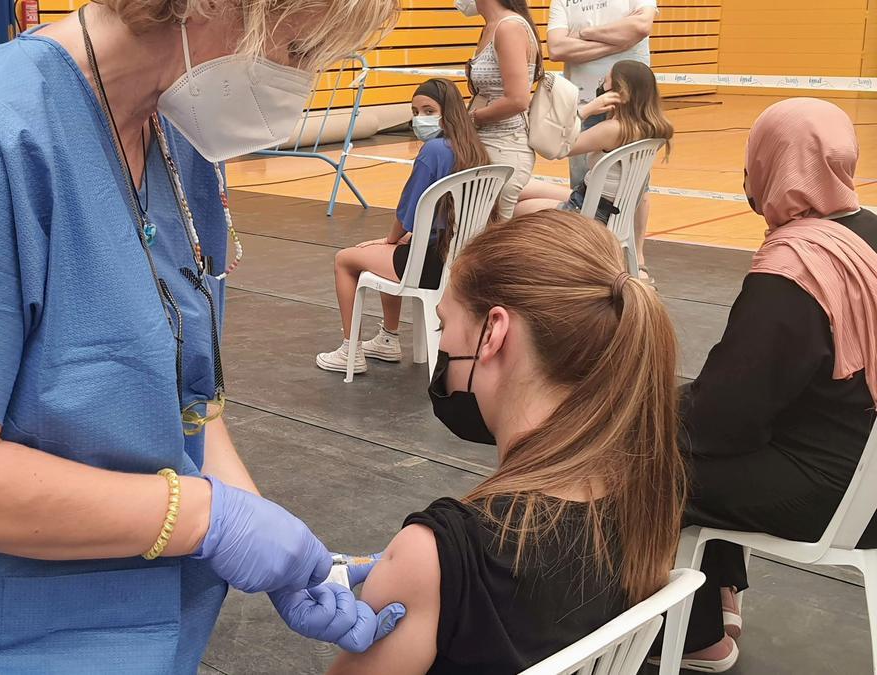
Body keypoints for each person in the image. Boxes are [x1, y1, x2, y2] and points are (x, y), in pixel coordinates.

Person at [0, 0, 404, 670]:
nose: (298, 83)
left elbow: (189, 392)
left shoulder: (175, 135)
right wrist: (207, 518)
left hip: (156, 630)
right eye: (300, 50)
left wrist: (282, 552)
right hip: (3, 640)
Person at [326, 209, 687, 673]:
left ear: (493, 332)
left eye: (443, 325)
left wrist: (407, 571)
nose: (443, 347)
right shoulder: (648, 494)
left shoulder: (438, 555)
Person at [675, 98, 877, 672]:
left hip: (833, 496)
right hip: (868, 473)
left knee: (645, 459)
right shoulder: (868, 232)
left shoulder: (796, 268)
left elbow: (722, 420)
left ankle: (697, 637)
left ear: (768, 164)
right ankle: (721, 591)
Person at [316, 78, 490, 374]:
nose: (419, 118)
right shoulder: (475, 149)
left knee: (345, 260)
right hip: (463, 258)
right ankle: (387, 339)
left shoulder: (433, 150)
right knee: (396, 247)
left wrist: (389, 239)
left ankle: (351, 351)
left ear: (447, 112)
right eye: (415, 111)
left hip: (429, 263)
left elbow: (406, 212)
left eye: (427, 110)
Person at [547, 0, 658, 277]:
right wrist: (619, 41)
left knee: (632, 189)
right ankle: (617, 257)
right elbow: (557, 48)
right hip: (584, 95)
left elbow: (642, 26)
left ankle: (609, 258)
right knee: (586, 184)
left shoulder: (614, 127)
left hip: (601, 108)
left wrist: (582, 34)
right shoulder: (652, 126)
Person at [516, 61, 673, 225]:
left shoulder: (612, 130)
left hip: (588, 211)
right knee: (522, 187)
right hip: (606, 205)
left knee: (518, 207)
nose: (601, 86)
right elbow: (644, 194)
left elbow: (557, 148)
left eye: (605, 81)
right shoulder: (654, 129)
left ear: (620, 93)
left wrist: (586, 110)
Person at [456, 0, 542, 221]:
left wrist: (469, 120)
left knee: (491, 236)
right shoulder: (492, 26)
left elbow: (517, 100)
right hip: (488, 144)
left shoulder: (508, 27)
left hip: (505, 146)